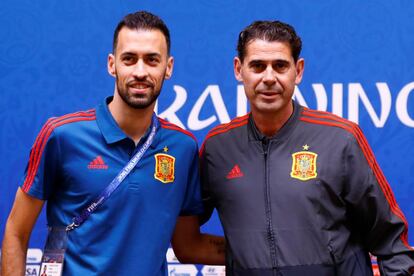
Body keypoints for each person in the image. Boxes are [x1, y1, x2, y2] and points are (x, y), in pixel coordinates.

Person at [1, 11, 224, 276]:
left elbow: (188, 246)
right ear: (112, 64)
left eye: (152, 60)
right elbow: (17, 232)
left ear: (169, 67)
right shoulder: (62, 135)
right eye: (129, 59)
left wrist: (272, 251)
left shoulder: (182, 147)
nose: (140, 71)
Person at [200, 20, 414, 275]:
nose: (269, 78)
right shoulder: (218, 147)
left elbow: (392, 242)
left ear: (298, 71)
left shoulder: (340, 138)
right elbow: (179, 227)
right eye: (257, 66)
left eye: (280, 66)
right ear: (239, 69)